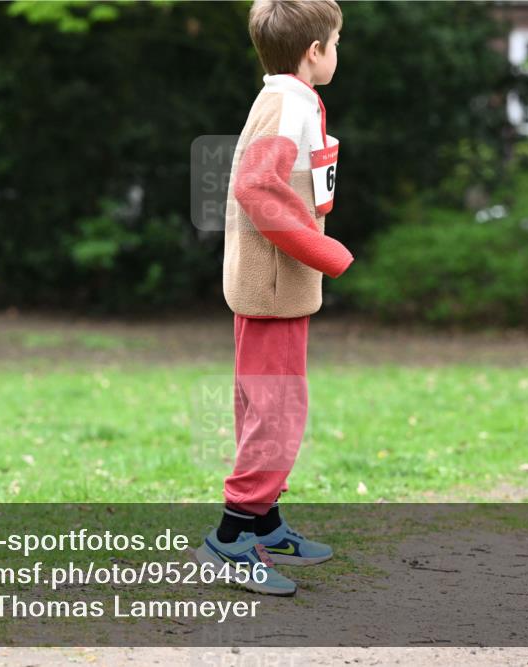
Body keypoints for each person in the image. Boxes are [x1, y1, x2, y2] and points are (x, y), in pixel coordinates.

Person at [195, 0, 353, 596]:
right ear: (314, 51)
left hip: (274, 289)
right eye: (337, 40)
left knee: (267, 405)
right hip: (274, 288)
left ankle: (265, 523)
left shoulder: (284, 94)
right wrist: (324, 251)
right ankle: (232, 538)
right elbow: (256, 185)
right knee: (278, 412)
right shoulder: (289, 102)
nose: (339, 50)